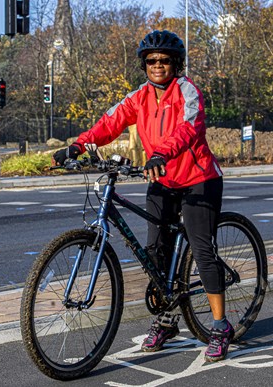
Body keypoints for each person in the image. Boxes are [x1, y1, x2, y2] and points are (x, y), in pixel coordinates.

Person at [52, 30, 232, 362]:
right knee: (154, 249)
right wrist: (80, 144)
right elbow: (110, 122)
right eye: (151, 61)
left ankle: (220, 326)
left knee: (202, 251)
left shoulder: (188, 91)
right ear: (144, 64)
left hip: (198, 179)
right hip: (162, 179)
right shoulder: (139, 97)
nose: (158, 65)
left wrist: (161, 153)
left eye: (164, 60)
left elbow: (189, 128)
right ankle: (167, 318)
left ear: (175, 63)